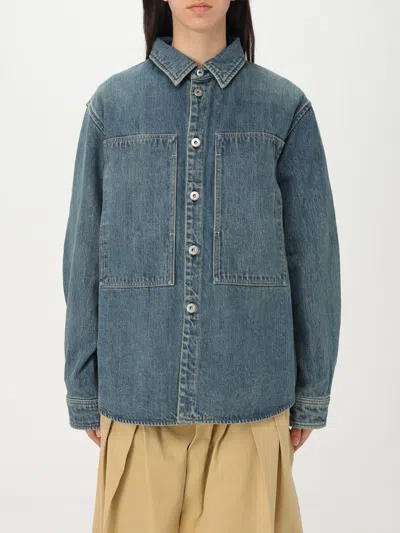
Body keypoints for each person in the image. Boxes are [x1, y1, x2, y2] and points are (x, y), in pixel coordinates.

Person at [62, 1, 341, 532]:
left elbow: (313, 258)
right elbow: (83, 255)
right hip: (137, 394)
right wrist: (83, 386)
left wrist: (311, 393)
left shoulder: (284, 109)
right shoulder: (112, 108)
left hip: (251, 399)